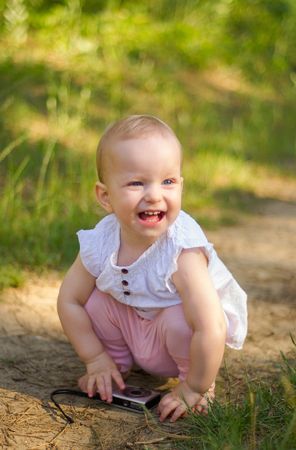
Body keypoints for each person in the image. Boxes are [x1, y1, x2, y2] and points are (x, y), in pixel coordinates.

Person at [57, 115, 247, 423]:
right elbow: (69, 300)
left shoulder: (181, 252)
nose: (155, 195)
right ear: (106, 197)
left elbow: (210, 326)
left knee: (181, 318)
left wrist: (194, 386)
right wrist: (94, 357)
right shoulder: (101, 242)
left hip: (178, 344)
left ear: (181, 186)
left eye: (168, 182)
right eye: (136, 183)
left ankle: (200, 384)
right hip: (135, 331)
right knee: (96, 301)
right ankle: (113, 368)